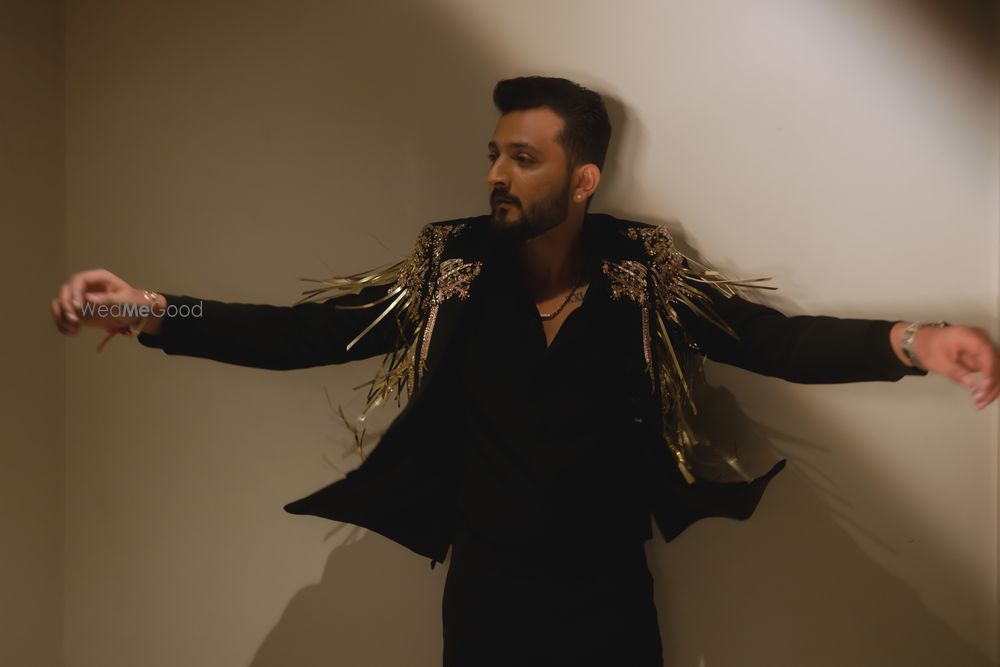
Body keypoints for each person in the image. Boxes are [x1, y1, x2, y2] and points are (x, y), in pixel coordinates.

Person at [52, 76, 999, 666]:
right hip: (487, 600)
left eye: (522, 157)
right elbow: (309, 331)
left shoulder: (641, 267)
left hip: (608, 601)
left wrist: (913, 343)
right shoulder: (451, 263)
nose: (496, 175)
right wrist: (149, 310)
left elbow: (769, 340)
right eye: (493, 156)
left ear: (583, 180)